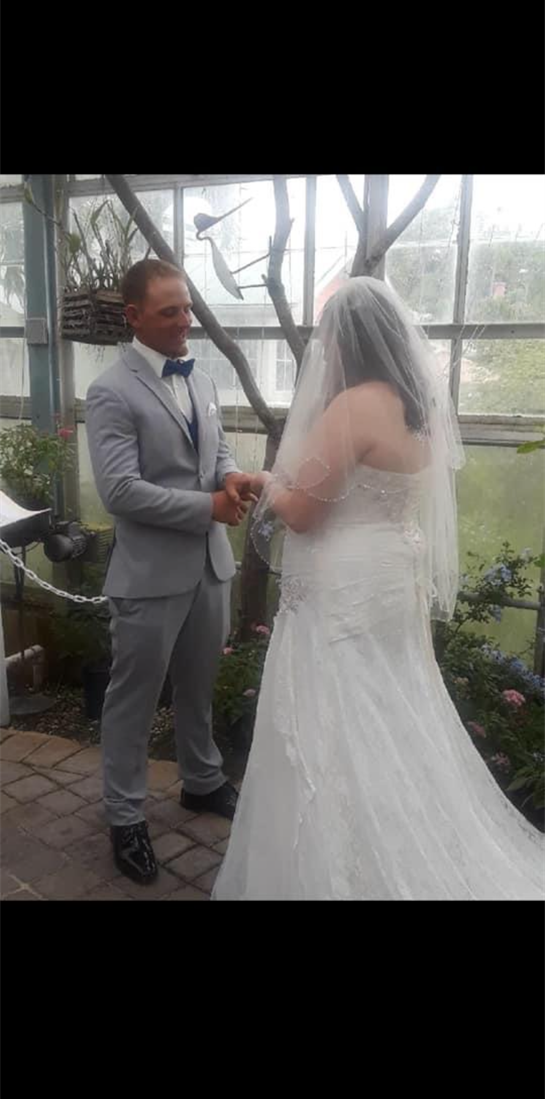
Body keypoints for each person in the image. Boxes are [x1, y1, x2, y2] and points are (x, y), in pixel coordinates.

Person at [213, 277, 545, 900]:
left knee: (331, 716)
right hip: (391, 576)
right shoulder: (416, 403)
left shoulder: (353, 407)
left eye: (329, 337)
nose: (324, 350)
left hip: (340, 585)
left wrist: (263, 479)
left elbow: (306, 512)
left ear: (348, 340)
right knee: (391, 705)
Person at [86, 259, 254, 884]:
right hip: (150, 574)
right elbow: (120, 491)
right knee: (132, 700)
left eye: (187, 307)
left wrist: (231, 478)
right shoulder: (111, 391)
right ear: (133, 317)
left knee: (198, 686)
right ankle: (125, 816)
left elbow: (217, 453)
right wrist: (207, 506)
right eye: (170, 311)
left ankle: (202, 781)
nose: (187, 321)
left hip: (210, 566)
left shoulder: (202, 380)